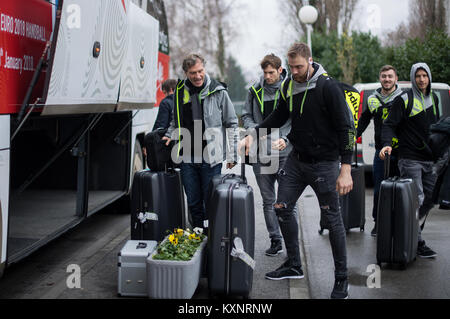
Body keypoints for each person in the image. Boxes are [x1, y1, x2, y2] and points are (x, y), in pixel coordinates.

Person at [239, 42, 355, 299]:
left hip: (325, 163)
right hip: (297, 161)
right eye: (290, 67)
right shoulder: (289, 86)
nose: (294, 71)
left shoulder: (328, 87)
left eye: (299, 66)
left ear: (310, 61)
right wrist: (251, 134)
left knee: (333, 219)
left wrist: (345, 168)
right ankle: (293, 264)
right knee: (281, 207)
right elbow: (277, 117)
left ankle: (341, 279)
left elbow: (346, 128)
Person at [162, 53, 239, 229]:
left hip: (210, 158)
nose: (197, 76)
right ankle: (199, 237)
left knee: (211, 201)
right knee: (194, 203)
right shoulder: (180, 92)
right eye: (193, 73)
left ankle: (213, 238)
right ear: (186, 73)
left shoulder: (218, 91)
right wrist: (168, 134)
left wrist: (233, 154)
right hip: (187, 157)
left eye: (200, 71)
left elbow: (232, 123)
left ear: (204, 68)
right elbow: (175, 121)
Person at [380, 62, 440, 258]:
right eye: (418, 76)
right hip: (410, 158)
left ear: (429, 77)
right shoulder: (404, 98)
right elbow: (388, 124)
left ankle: (408, 230)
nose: (422, 79)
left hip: (430, 159)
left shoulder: (434, 98)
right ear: (413, 77)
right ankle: (417, 241)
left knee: (431, 198)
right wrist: (387, 144)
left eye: (425, 76)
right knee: (417, 198)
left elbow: (437, 127)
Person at [241, 54, 297, 257]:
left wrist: (288, 139)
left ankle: (292, 241)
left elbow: (297, 119)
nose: (268, 76)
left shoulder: (291, 89)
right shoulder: (255, 90)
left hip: (285, 151)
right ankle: (276, 240)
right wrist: (253, 130)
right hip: (261, 151)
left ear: (280, 70)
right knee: (268, 200)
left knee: (288, 200)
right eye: (265, 72)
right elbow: (246, 114)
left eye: (271, 72)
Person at [356, 65, 403, 236]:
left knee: (401, 189)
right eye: (384, 76)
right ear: (380, 78)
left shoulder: (403, 98)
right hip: (381, 152)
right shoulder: (372, 99)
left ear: (396, 78)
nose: (387, 79)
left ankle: (400, 222)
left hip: (402, 152)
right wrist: (354, 136)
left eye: (390, 76)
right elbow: (363, 120)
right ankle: (378, 223)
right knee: (379, 189)